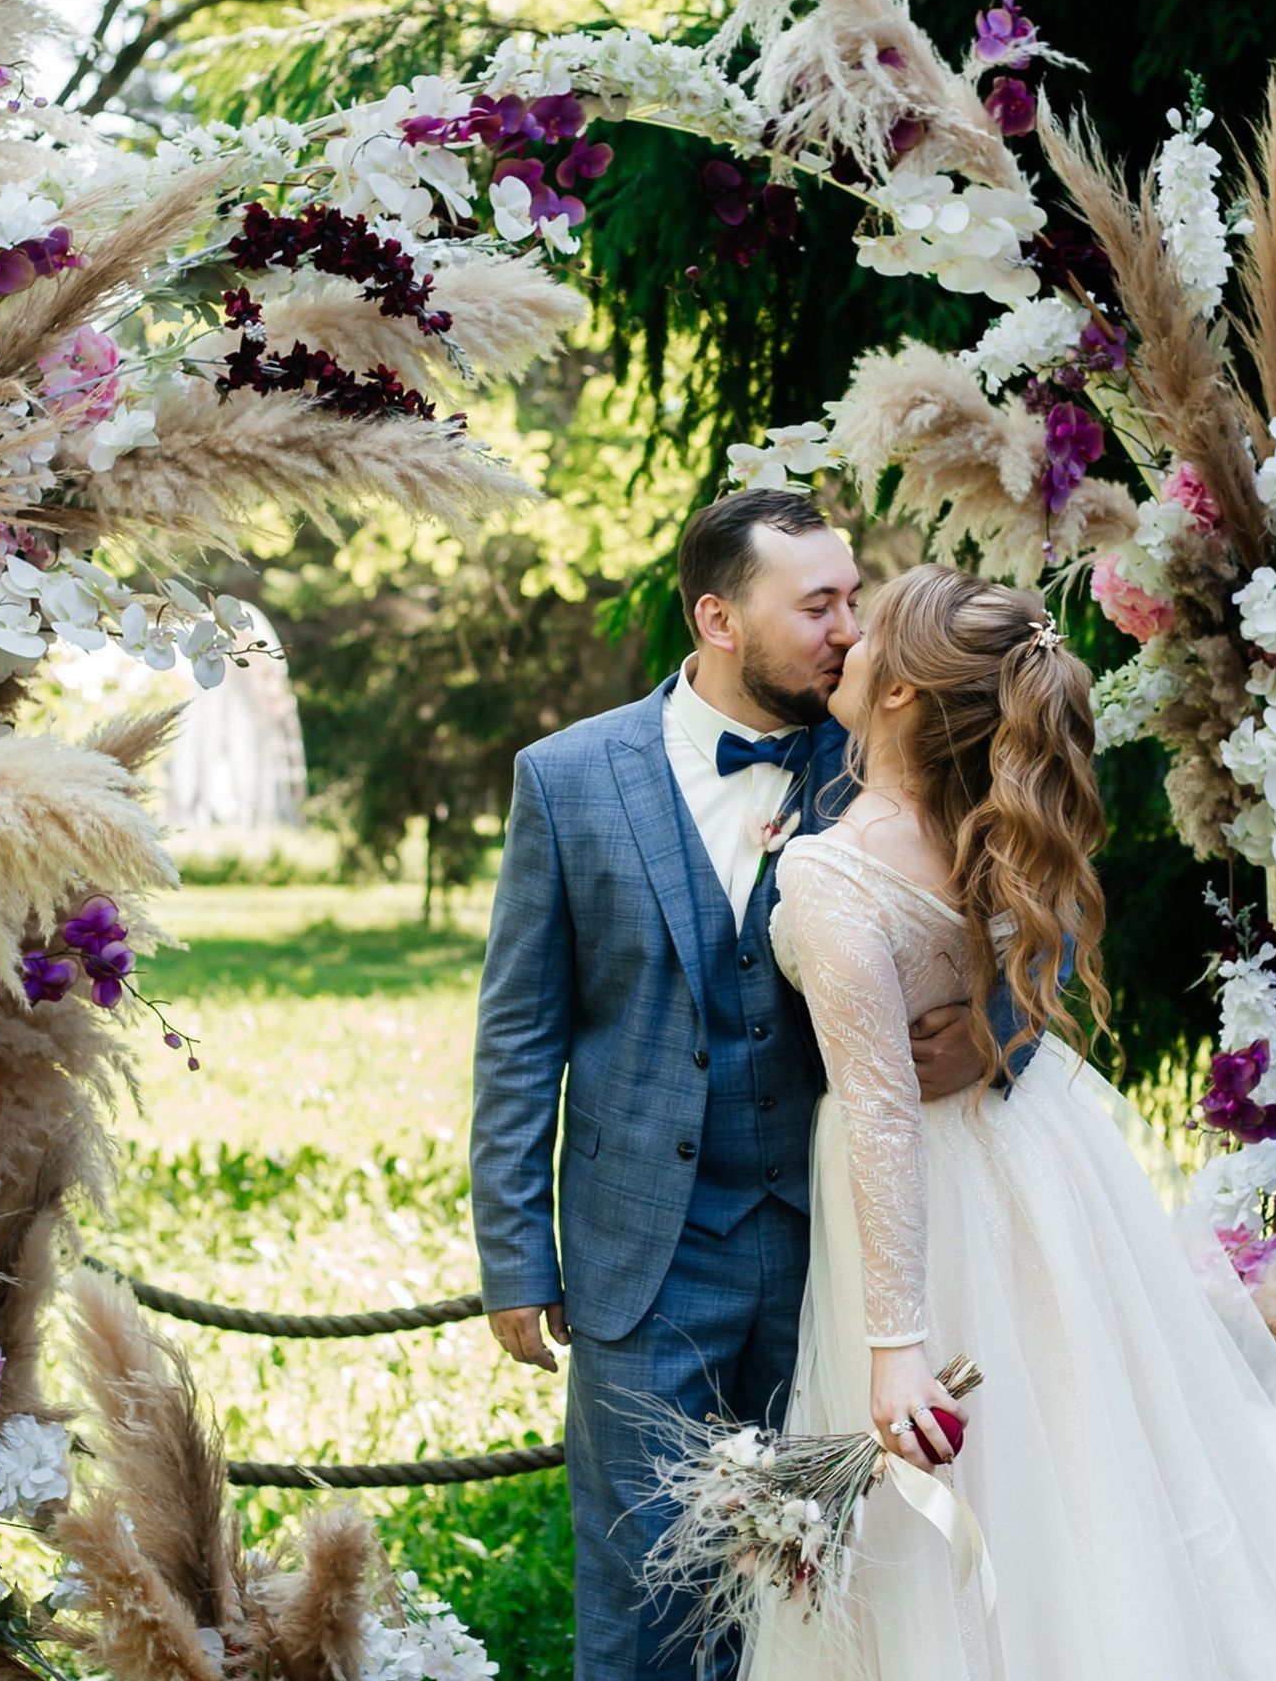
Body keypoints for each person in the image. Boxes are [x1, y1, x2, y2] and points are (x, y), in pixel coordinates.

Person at [751, 562, 1276, 1681]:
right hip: (1037, 1168)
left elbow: (882, 1116)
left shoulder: (831, 870)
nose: (846, 640)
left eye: (867, 633)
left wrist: (896, 1349)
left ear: (902, 693)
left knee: (1007, 1509)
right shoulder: (988, 815)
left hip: (934, 1209)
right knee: (1088, 1478)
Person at [469, 493, 993, 1681]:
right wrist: (515, 1251)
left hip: (835, 1254)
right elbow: (518, 1034)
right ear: (717, 618)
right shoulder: (566, 780)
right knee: (646, 1596)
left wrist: (990, 1032)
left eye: (854, 600)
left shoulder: (879, 758)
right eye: (819, 607)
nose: (852, 634)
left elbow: (1006, 912)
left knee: (825, 1599)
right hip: (644, 1256)